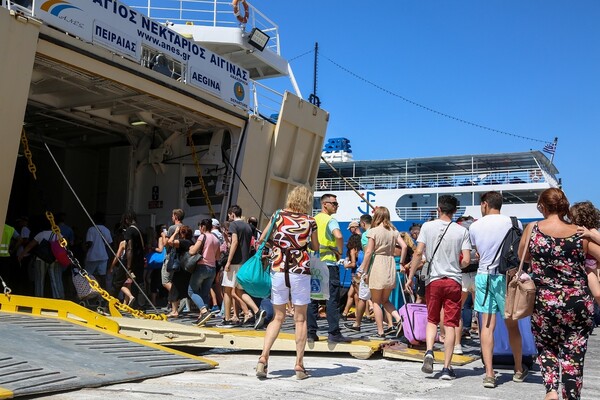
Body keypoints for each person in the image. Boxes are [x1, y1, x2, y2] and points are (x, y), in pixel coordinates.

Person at [519, 188, 600, 400]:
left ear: (542, 206)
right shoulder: (579, 232)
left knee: (546, 346)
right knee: (574, 352)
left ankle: (552, 389)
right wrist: (593, 235)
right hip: (577, 302)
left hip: (544, 302)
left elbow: (523, 257)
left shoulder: (532, 229)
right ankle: (571, 394)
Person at [256, 185, 319, 380]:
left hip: (278, 268)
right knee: (300, 319)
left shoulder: (278, 216)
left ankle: (263, 358)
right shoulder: (310, 221)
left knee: (278, 317)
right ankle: (299, 365)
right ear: (307, 202)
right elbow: (315, 246)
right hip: (300, 270)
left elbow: (262, 239)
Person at [405, 195, 471, 380]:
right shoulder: (461, 231)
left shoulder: (427, 226)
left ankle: (428, 351)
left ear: (438, 209)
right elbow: (466, 260)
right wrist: (457, 264)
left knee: (432, 319)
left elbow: (418, 252)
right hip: (454, 281)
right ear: (455, 211)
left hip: (433, 280)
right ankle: (447, 368)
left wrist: (410, 277)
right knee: (450, 323)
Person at [468, 191, 527, 388]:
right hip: (506, 278)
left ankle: (489, 373)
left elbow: (477, 251)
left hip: (484, 276)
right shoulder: (514, 222)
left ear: (485, 204)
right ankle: (519, 369)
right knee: (512, 324)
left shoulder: (475, 226)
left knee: (487, 326)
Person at [356, 206, 407, 339]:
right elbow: (405, 246)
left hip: (378, 264)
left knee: (376, 301)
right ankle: (400, 320)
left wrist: (361, 269)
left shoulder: (373, 231)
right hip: (390, 264)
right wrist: (401, 263)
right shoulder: (393, 231)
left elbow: (369, 252)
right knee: (386, 300)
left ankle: (380, 331)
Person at [307, 194, 352, 343]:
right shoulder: (330, 220)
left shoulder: (313, 219)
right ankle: (333, 333)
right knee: (332, 299)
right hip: (329, 263)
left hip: (314, 262)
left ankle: (311, 332)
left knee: (313, 297)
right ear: (325, 204)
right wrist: (339, 251)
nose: (336, 206)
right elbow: (338, 236)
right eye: (334, 203)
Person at [220, 205, 255, 327]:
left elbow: (235, 243)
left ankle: (227, 318)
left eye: (229, 215)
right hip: (245, 262)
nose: (229, 217)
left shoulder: (234, 225)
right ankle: (253, 311)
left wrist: (228, 262)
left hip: (235, 261)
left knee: (227, 290)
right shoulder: (248, 227)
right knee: (239, 290)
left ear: (232, 214)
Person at [188, 219, 220, 326]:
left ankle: (204, 311)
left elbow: (192, 251)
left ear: (203, 227)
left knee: (192, 291)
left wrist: (191, 247)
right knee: (205, 293)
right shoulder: (216, 239)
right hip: (212, 268)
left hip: (202, 266)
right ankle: (203, 317)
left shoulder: (203, 236)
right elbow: (218, 256)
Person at [570, 201, 600, 304]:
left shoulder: (591, 231)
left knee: (597, 293)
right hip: (588, 263)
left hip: (590, 265)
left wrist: (590, 234)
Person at [162, 209, 184, 316]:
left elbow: (165, 244)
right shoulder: (185, 227)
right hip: (180, 258)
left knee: (165, 281)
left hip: (170, 257)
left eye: (172, 215)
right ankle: (176, 303)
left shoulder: (172, 228)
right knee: (174, 280)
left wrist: (163, 235)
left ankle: (178, 297)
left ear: (175, 216)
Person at [84, 212, 112, 290]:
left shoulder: (91, 229)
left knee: (88, 276)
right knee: (102, 276)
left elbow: (89, 243)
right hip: (103, 256)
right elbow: (109, 244)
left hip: (92, 256)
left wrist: (85, 249)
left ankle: (87, 292)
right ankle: (103, 296)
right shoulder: (106, 230)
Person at [341, 233, 362, 320]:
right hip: (359, 273)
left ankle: (357, 314)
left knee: (359, 295)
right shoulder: (360, 251)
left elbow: (353, 264)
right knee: (351, 294)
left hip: (355, 275)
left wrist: (346, 265)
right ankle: (345, 313)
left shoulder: (352, 250)